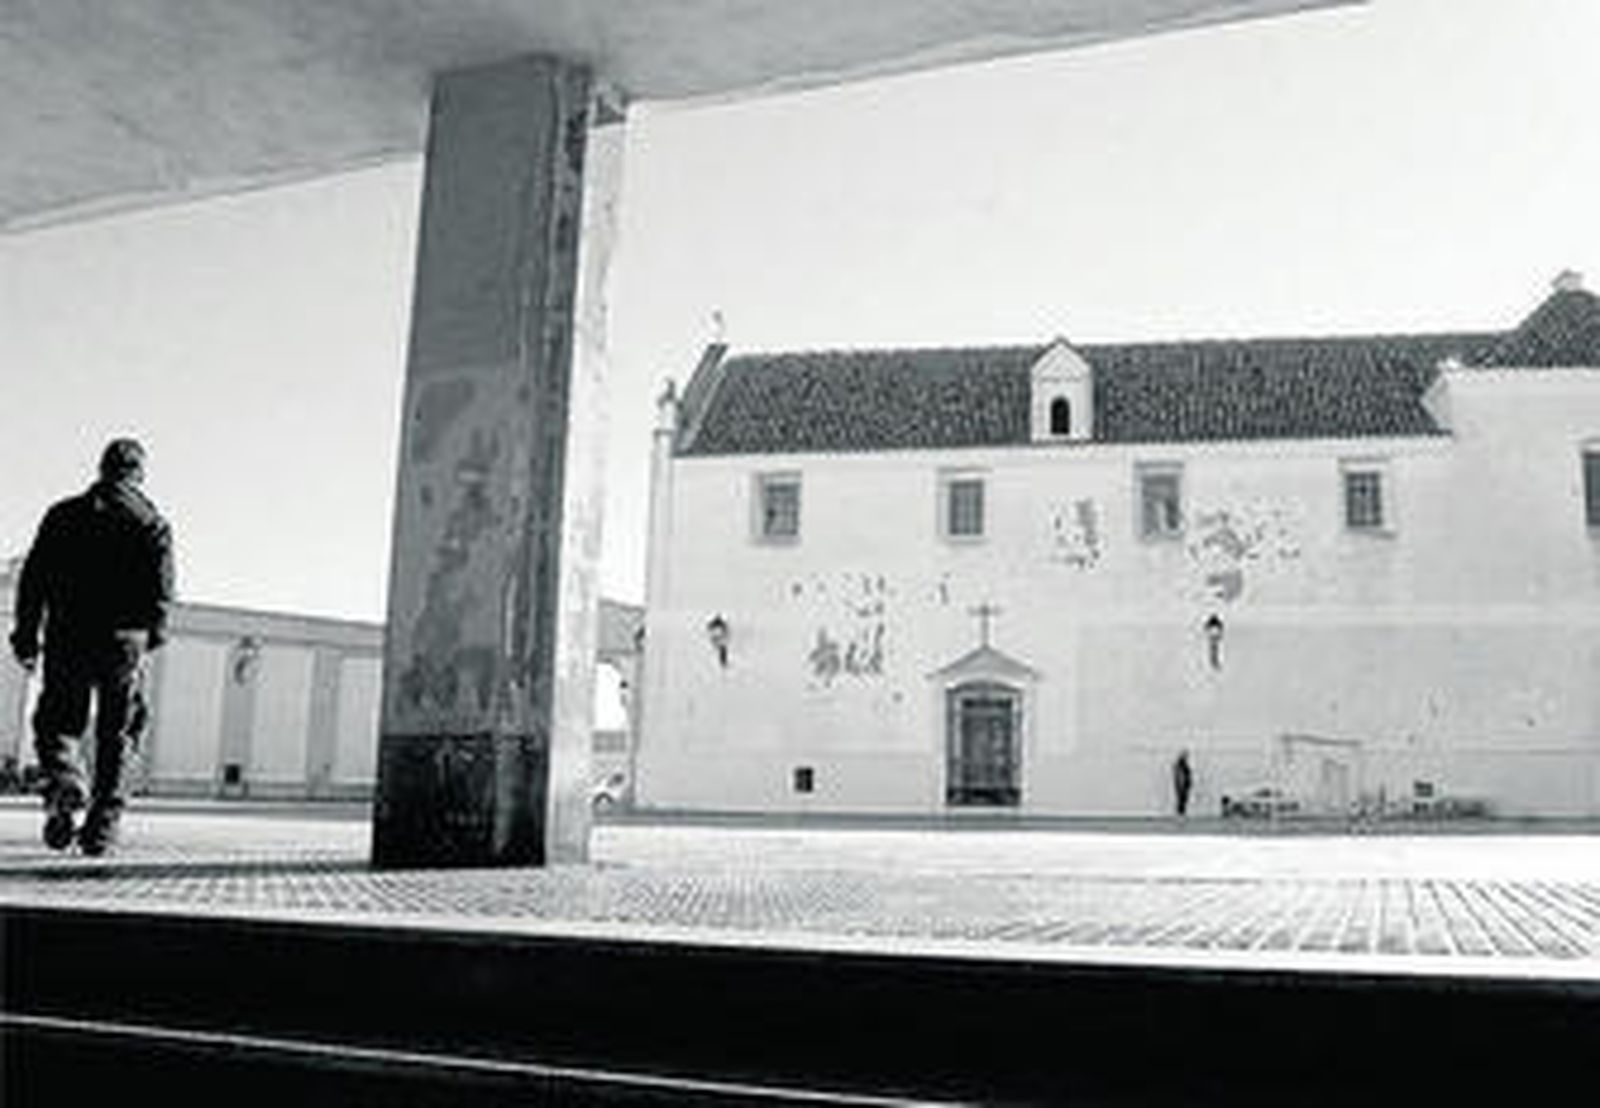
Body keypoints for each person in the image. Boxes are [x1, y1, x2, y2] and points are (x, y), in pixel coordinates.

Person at [9, 438, 174, 855]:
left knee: (58, 720)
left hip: (68, 633)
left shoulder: (62, 515)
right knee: (118, 731)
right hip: (124, 640)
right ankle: (101, 828)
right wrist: (151, 635)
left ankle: (67, 782)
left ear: (101, 468)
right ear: (139, 474)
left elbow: (34, 581)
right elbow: (162, 591)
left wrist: (26, 636)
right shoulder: (151, 521)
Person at [1172, 749, 1194, 818]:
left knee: (1183, 799)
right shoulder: (1180, 765)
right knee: (1182, 799)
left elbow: (1185, 775)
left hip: (1184, 785)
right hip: (1182, 785)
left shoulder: (1183, 765)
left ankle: (1181, 813)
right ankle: (1180, 813)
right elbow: (1180, 776)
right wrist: (1181, 784)